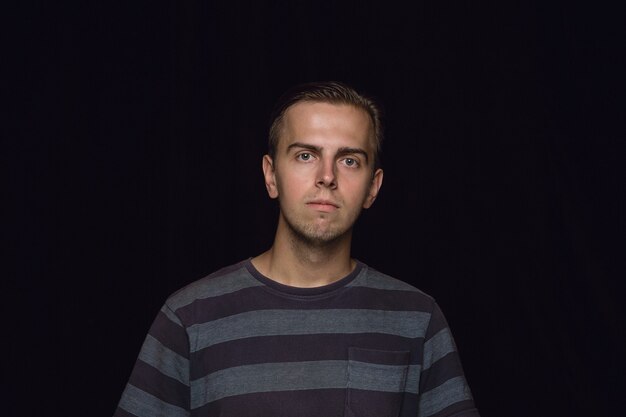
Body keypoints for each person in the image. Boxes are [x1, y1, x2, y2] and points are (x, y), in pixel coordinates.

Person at [113, 81, 480, 417]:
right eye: (306, 155)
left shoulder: (417, 319)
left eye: (349, 160)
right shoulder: (189, 318)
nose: (327, 176)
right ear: (271, 175)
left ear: (373, 187)